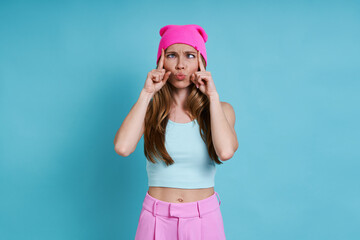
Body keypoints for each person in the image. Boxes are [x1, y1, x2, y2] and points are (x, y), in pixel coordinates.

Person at [114, 24, 238, 240]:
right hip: (155, 220)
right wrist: (146, 93)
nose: (180, 65)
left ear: (201, 62)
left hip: (204, 220)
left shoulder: (221, 109)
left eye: (190, 55)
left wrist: (213, 96)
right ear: (161, 61)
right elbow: (122, 147)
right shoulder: (148, 110)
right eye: (172, 55)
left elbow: (225, 151)